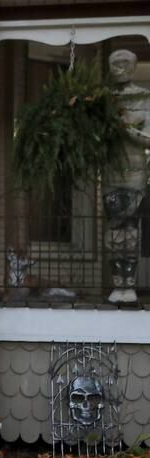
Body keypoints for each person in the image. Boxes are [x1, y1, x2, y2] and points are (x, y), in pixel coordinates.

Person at [103, 49, 150, 304]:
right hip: (110, 173)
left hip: (135, 173)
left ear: (133, 67)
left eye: (125, 64)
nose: (120, 69)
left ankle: (129, 285)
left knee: (130, 228)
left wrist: (128, 125)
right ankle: (116, 283)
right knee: (114, 231)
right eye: (115, 64)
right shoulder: (104, 99)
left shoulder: (144, 98)